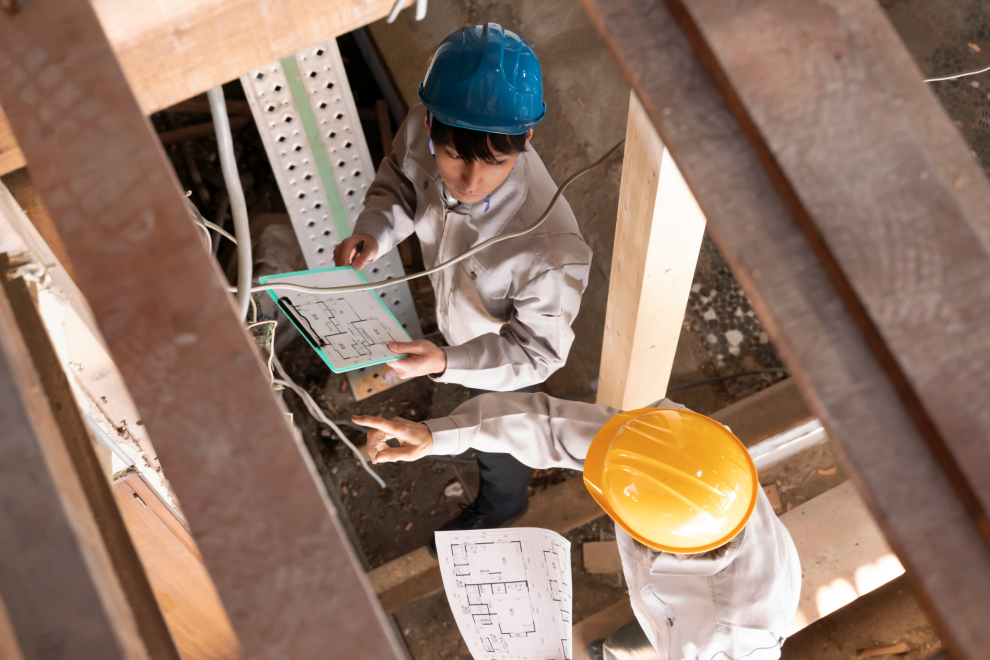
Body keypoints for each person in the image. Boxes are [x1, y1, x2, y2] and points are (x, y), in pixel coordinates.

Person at [334, 24, 593, 545]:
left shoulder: (549, 248)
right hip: (456, 325)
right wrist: (374, 230)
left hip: (502, 355)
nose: (470, 180)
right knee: (472, 412)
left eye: (495, 162)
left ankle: (503, 505)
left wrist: (451, 362)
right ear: (429, 121)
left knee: (501, 429)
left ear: (527, 139)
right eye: (453, 156)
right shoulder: (427, 129)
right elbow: (401, 182)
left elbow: (538, 353)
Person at [353, 393, 802, 660]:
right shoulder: (682, 445)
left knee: (634, 647)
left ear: (655, 542)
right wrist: (440, 433)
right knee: (628, 644)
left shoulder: (727, 640)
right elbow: (553, 428)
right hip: (684, 610)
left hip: (701, 630)